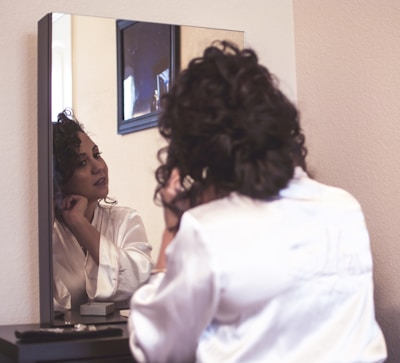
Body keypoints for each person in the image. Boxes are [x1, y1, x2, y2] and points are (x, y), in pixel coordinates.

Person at [128, 41, 387, 362]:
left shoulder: (207, 231)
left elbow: (157, 346)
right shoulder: (344, 207)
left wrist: (172, 229)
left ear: (198, 153)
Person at [52, 109, 152, 312]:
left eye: (97, 155)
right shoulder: (47, 234)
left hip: (120, 339)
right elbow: (51, 302)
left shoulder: (125, 220)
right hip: (57, 342)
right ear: (59, 178)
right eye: (82, 163)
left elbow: (139, 282)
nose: (99, 167)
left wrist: (79, 224)